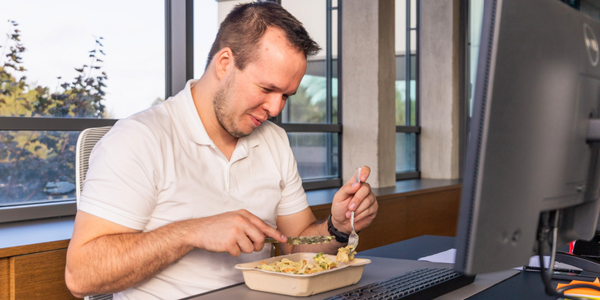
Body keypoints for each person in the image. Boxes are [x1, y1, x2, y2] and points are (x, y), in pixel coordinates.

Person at [65, 3, 378, 299]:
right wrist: (192, 232)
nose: (275, 108)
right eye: (267, 89)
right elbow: (81, 275)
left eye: (286, 96)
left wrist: (336, 226)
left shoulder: (275, 141)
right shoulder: (140, 139)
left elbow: (296, 248)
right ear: (225, 64)